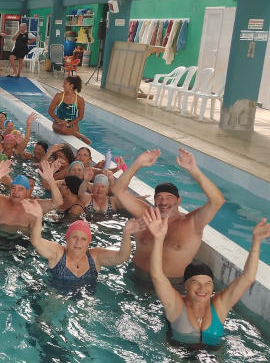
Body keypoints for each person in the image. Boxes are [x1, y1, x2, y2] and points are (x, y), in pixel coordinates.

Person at [146, 209, 269, 346]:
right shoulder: (175, 305)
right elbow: (157, 276)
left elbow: (248, 278)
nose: (202, 288)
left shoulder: (220, 305)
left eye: (208, 283)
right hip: (179, 354)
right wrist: (158, 239)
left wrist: (256, 243)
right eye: (195, 282)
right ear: (185, 285)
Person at [111, 148, 225, 281]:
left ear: (179, 200)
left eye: (169, 197)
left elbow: (217, 201)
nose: (163, 201)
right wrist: (138, 163)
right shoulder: (145, 214)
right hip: (135, 279)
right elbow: (118, 190)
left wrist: (194, 170)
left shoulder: (192, 223)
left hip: (171, 287)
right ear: (154, 200)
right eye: (159, 197)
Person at [27, 200, 134, 288]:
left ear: (89, 242)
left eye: (83, 239)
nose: (78, 242)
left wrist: (126, 234)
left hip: (86, 301)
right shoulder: (58, 253)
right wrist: (38, 217)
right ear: (67, 239)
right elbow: (36, 241)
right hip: (56, 298)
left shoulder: (95, 256)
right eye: (74, 237)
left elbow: (122, 257)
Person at [0, 161, 62, 231]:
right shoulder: (0, 200)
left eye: (20, 189)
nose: (15, 192)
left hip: (21, 242)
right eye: (13, 188)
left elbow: (58, 202)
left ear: (27, 191)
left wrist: (51, 181)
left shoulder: (35, 206)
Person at [48, 76, 91, 145]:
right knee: (63, 128)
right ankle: (81, 136)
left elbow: (80, 116)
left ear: (71, 86)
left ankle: (79, 136)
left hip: (72, 123)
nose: (62, 86)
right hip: (58, 124)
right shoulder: (59, 96)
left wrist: (69, 124)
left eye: (65, 84)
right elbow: (50, 111)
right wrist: (58, 120)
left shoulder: (79, 99)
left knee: (77, 142)